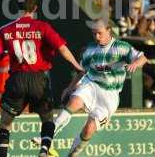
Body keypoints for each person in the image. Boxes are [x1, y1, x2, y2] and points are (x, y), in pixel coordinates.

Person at [0, 0, 84, 157]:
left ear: (18, 8)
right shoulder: (42, 27)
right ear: (35, 8)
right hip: (39, 79)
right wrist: (77, 66)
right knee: (47, 118)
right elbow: (62, 48)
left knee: (5, 122)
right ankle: (44, 150)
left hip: (17, 79)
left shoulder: (6, 29)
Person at [45, 19, 147, 156]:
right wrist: (70, 87)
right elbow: (82, 71)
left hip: (109, 96)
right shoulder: (90, 50)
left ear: (109, 31)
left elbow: (142, 58)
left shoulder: (121, 47)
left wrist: (136, 64)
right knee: (74, 101)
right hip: (92, 85)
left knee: (89, 129)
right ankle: (47, 137)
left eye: (99, 33)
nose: (97, 37)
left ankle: (72, 155)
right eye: (94, 34)